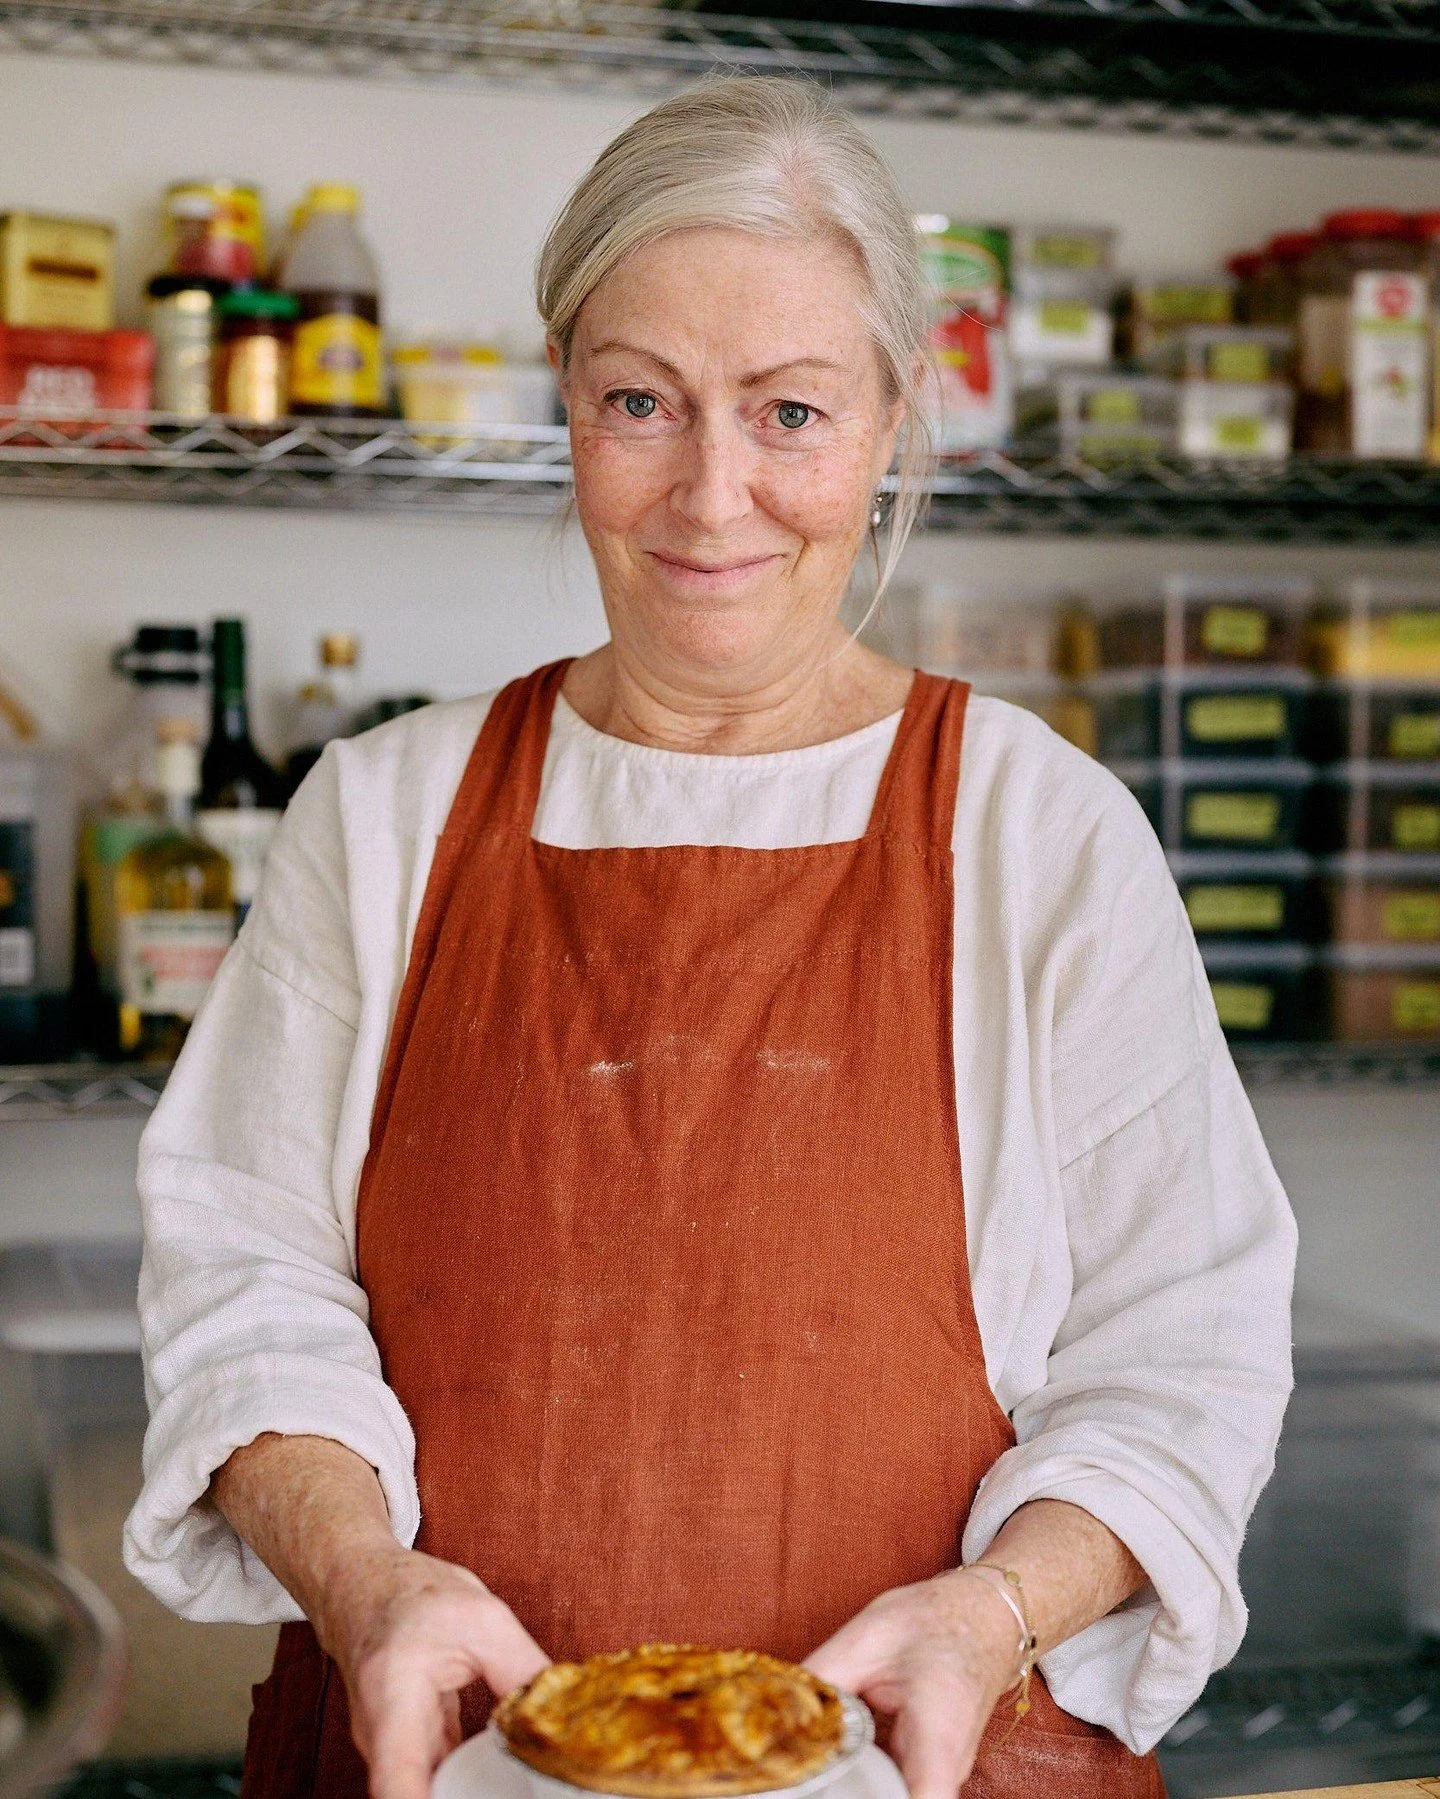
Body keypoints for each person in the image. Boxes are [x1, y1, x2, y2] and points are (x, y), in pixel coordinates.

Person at [125, 77, 1296, 1799]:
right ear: (566, 404)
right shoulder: (380, 817)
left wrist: (998, 1607)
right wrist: (363, 1584)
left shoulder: (1040, 836)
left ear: (899, 416)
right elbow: (243, 1283)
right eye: (640, 400)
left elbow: (1183, 1352)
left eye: (793, 410)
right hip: (433, 1759)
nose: (712, 492)